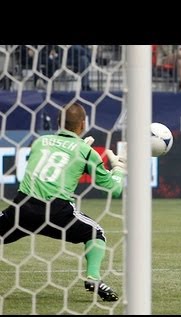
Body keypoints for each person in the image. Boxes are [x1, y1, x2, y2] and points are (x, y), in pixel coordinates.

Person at [0, 102, 127, 301]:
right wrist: (119, 168)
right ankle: (93, 277)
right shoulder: (86, 153)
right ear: (83, 124)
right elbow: (115, 189)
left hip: (22, 208)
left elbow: (55, 158)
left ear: (59, 122)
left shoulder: (40, 141)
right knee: (96, 233)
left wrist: (78, 149)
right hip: (56, 212)